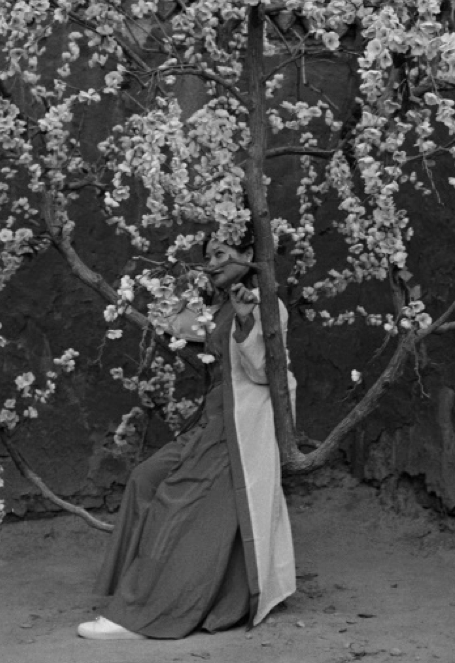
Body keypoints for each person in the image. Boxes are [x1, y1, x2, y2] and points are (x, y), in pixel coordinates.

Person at [78, 231, 296, 639]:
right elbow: (170, 321)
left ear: (249, 254)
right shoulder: (214, 306)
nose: (212, 263)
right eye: (208, 256)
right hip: (207, 420)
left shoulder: (269, 305)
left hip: (236, 425)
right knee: (146, 480)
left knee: (175, 501)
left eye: (222, 254)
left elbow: (267, 373)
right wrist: (179, 282)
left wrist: (248, 318)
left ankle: (143, 612)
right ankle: (129, 592)